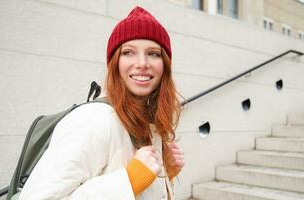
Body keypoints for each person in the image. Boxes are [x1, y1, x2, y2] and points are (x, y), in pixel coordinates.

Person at [18, 6, 184, 200]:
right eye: (129, 52)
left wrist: (165, 174)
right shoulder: (95, 119)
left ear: (165, 65)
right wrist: (130, 181)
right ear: (114, 63)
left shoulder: (149, 120)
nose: (142, 63)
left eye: (153, 53)